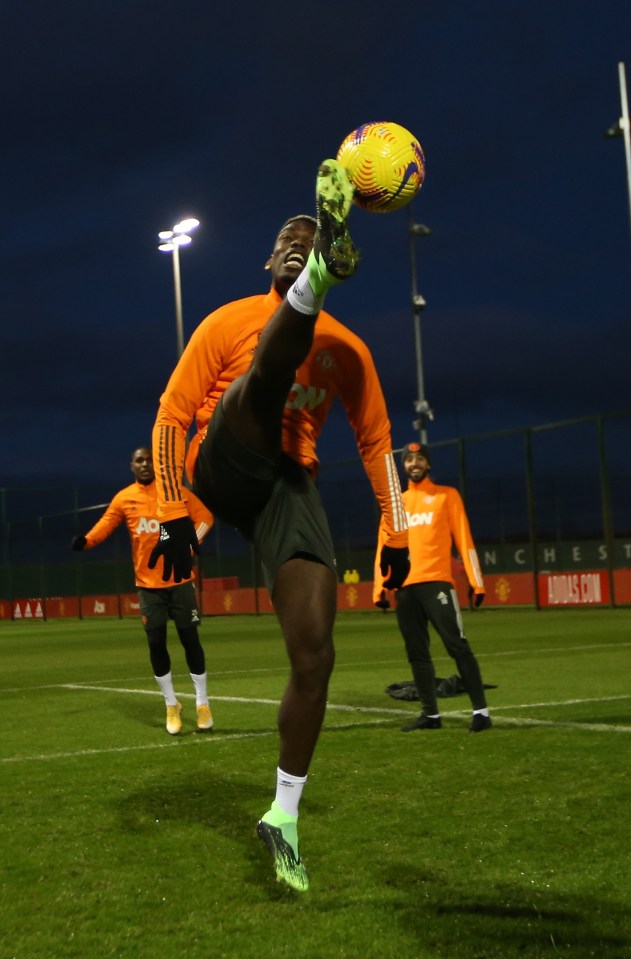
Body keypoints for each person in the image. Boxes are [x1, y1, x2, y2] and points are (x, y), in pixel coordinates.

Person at [148, 159, 410, 892]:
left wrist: (394, 531)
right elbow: (173, 415)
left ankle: (282, 815)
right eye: (290, 238)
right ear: (271, 260)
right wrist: (172, 510)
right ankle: (321, 280)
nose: (294, 238)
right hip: (224, 458)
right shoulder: (223, 321)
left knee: (315, 652)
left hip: (284, 489)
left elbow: (378, 443)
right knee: (258, 384)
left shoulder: (350, 351)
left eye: (310, 236)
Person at [71, 446, 214, 735]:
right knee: (156, 645)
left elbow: (205, 517)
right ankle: (171, 705)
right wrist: (86, 542)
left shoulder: (174, 492)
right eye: (140, 460)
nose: (145, 464)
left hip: (180, 581)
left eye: (149, 459)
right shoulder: (125, 498)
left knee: (190, 641)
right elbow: (107, 524)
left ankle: (202, 703)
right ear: (132, 466)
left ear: (157, 464)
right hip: (148, 588)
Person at [373, 441, 492, 733]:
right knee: (417, 654)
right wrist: (380, 588)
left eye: (419, 459)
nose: (414, 464)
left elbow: (464, 539)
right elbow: (383, 549)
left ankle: (481, 713)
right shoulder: (396, 504)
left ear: (428, 464)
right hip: (405, 588)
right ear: (403, 466)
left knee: (457, 646)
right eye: (409, 460)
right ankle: (431, 716)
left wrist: (476, 581)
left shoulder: (446, 497)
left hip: (437, 584)